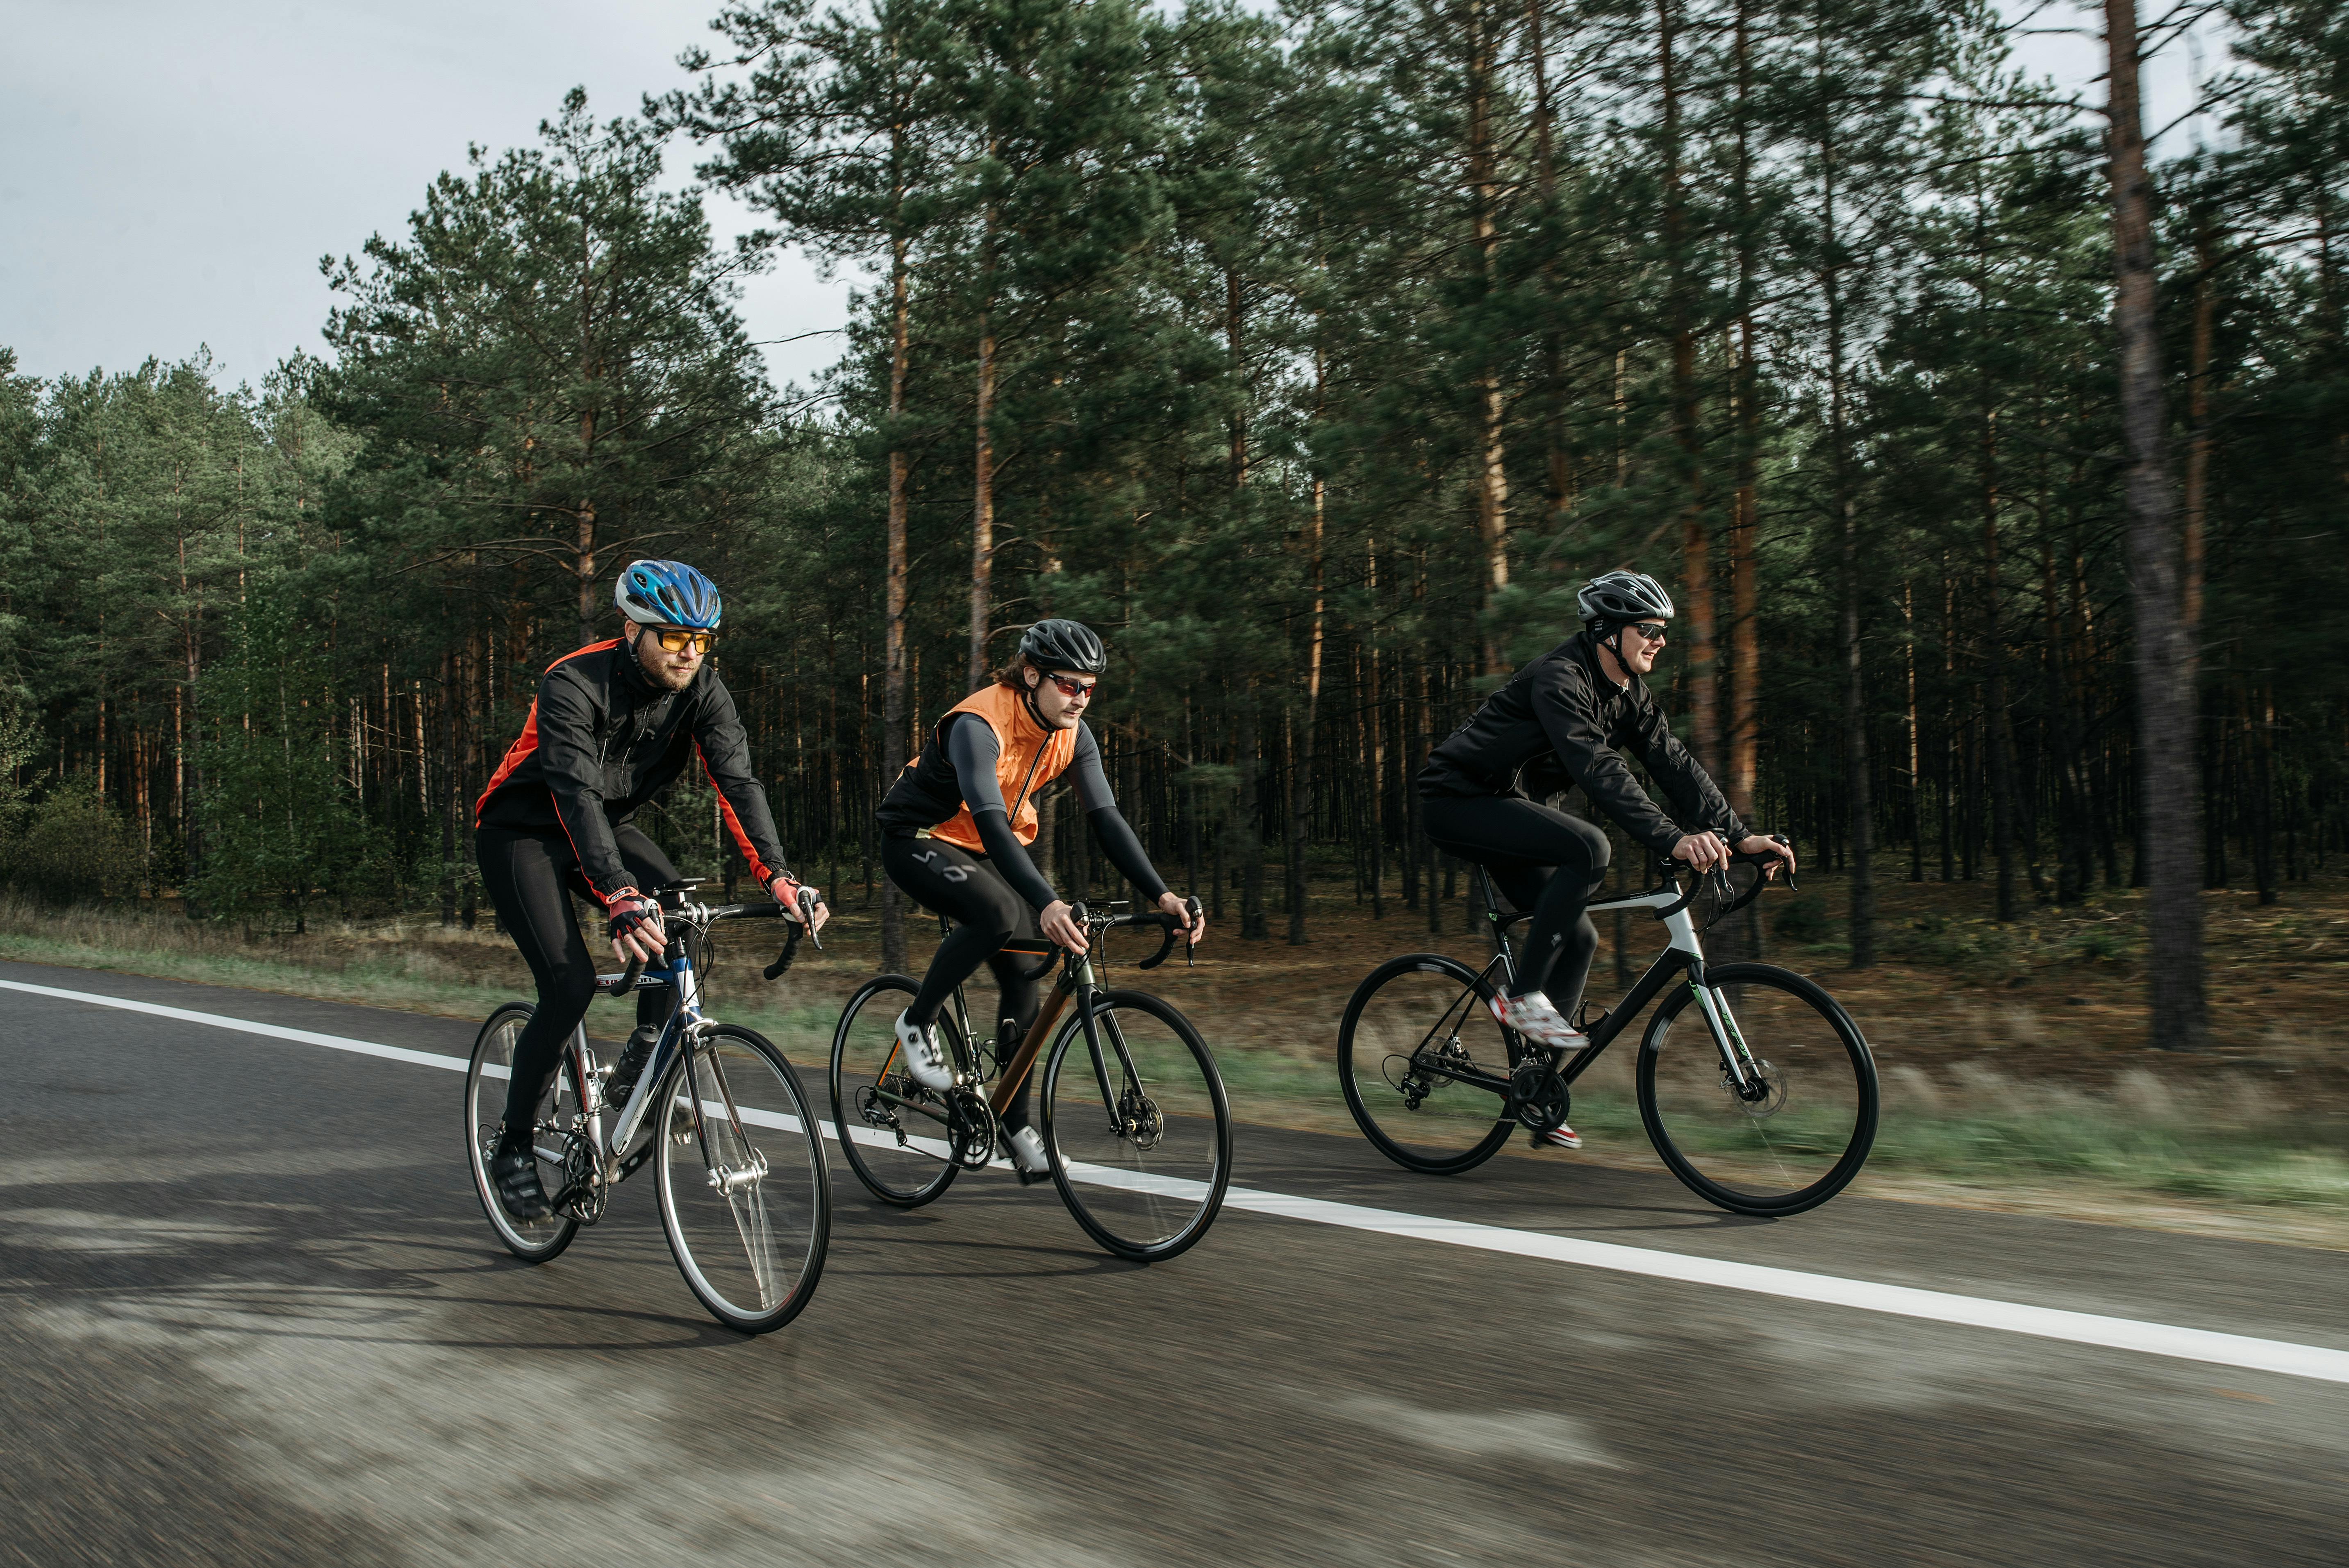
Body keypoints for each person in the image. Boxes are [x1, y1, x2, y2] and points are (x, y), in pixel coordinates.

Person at [473, 559, 826, 1220]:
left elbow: (739, 784)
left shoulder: (703, 692)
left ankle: (643, 1055)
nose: (690, 653)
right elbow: (574, 791)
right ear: (632, 628)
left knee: (681, 912)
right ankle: (514, 1146)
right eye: (673, 638)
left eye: (702, 640)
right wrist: (618, 893)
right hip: (522, 831)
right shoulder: (573, 682)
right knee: (569, 984)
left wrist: (779, 876)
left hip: (604, 828)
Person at [1416, 568, 1795, 1150]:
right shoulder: (1559, 679)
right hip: (1456, 799)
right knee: (1590, 846)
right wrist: (1672, 838)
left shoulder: (1629, 696)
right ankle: (1522, 1002)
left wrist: (1739, 837)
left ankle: (1537, 1085)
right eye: (1649, 629)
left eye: (1664, 631)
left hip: (1506, 804)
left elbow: (1675, 765)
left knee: (1583, 936)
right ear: (1606, 630)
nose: (1661, 641)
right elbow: (1598, 768)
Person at [875, 618, 1203, 1178]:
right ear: (1031, 675)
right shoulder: (980, 723)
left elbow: (1107, 820)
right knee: (1003, 912)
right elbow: (993, 821)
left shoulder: (1074, 733)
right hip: (920, 837)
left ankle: (1013, 1123)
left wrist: (1164, 893)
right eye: (1069, 684)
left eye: (1090, 688)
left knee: (1026, 965)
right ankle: (917, 1022)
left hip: (982, 846)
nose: (1080, 698)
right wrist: (1048, 900)